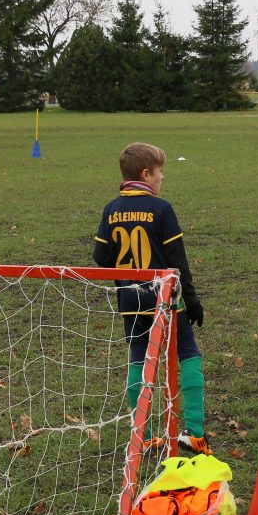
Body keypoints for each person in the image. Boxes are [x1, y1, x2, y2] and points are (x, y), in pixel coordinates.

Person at [93, 142, 210, 455]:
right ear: (146, 174)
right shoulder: (161, 208)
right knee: (187, 351)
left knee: (138, 356)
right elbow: (177, 258)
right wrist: (193, 297)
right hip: (165, 297)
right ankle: (194, 431)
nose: (162, 179)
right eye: (160, 172)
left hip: (130, 296)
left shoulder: (111, 209)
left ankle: (140, 434)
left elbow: (100, 256)